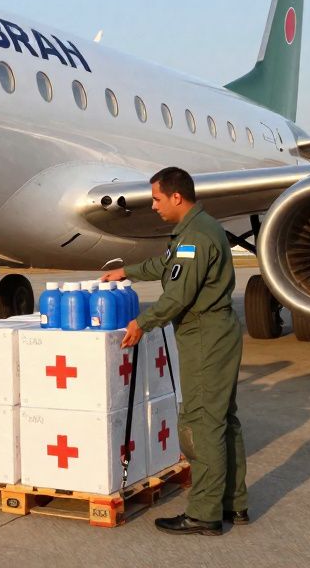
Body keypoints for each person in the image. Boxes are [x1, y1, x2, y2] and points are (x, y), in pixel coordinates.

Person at [101, 166, 248, 537]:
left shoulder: (196, 237)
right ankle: (234, 504)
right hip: (214, 331)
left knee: (202, 423)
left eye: (156, 198)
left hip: (205, 335)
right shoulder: (193, 232)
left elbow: (179, 294)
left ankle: (204, 514)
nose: (153, 206)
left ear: (176, 197)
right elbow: (167, 268)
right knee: (222, 420)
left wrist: (142, 323)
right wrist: (126, 272)